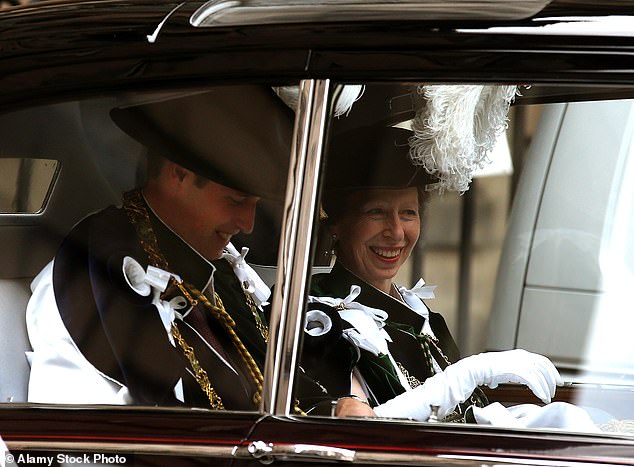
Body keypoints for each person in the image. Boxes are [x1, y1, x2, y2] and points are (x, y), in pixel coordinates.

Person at [25, 84, 363, 414]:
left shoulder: (226, 273)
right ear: (179, 175)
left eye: (255, 204)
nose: (247, 224)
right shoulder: (90, 277)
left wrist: (334, 411)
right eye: (235, 200)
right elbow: (85, 442)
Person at [301, 125, 599, 429]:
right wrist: (470, 371)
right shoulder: (318, 320)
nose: (396, 232)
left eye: (408, 213)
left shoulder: (423, 317)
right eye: (376, 212)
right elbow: (358, 429)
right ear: (337, 224)